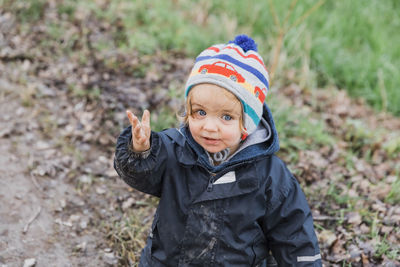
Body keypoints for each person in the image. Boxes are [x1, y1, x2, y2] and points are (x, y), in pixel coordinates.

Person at [114, 35, 322, 266]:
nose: (209, 127)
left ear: (248, 123)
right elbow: (140, 174)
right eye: (200, 112)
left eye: (226, 117)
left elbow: (294, 235)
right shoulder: (173, 149)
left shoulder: (270, 176)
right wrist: (140, 150)